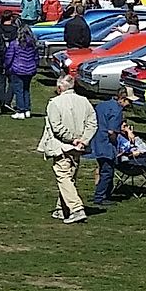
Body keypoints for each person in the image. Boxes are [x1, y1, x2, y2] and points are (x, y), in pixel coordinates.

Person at [40, 74, 98, 224]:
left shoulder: (55, 103)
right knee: (69, 177)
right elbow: (92, 124)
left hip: (62, 147)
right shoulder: (85, 102)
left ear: (60, 87)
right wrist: (83, 141)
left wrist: (73, 139)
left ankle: (76, 209)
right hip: (78, 147)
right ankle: (62, 209)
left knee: (64, 177)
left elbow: (57, 127)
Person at [88, 86, 132, 207]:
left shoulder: (102, 105)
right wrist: (116, 144)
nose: (129, 104)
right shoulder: (117, 111)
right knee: (107, 172)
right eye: (129, 101)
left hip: (96, 141)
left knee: (103, 168)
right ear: (122, 99)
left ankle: (105, 195)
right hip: (106, 144)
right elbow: (112, 132)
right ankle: (100, 197)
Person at [3, 17, 39, 118]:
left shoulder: (15, 43)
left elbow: (9, 57)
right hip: (30, 69)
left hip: (17, 69)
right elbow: (36, 57)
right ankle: (27, 109)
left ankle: (20, 110)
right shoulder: (33, 44)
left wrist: (6, 66)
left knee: (19, 90)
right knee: (26, 89)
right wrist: (35, 66)